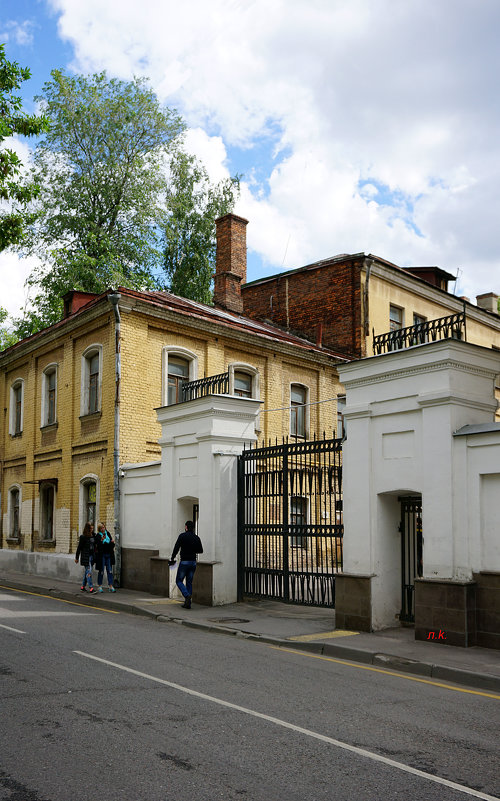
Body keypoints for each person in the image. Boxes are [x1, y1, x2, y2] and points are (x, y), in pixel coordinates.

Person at [168, 521, 203, 609]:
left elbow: (176, 547)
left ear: (186, 527)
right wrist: (193, 549)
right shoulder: (196, 538)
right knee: (189, 582)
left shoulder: (182, 536)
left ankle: (187, 596)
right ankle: (188, 603)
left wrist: (172, 557)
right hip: (193, 563)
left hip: (184, 562)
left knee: (179, 580)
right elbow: (200, 550)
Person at [95, 523, 116, 593]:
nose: (103, 529)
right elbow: (98, 546)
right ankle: (100, 586)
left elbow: (111, 544)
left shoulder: (108, 534)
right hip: (102, 555)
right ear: (99, 529)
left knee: (109, 570)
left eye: (103, 527)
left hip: (108, 555)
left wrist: (112, 542)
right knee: (101, 571)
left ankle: (110, 586)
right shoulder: (98, 536)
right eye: (101, 528)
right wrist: (101, 541)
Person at [75, 522, 96, 592]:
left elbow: (95, 545)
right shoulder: (83, 537)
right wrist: (77, 558)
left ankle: (83, 586)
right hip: (85, 557)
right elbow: (79, 548)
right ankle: (91, 587)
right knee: (89, 572)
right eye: (91, 528)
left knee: (87, 572)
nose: (92, 530)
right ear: (87, 529)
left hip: (91, 556)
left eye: (93, 528)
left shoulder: (93, 536)